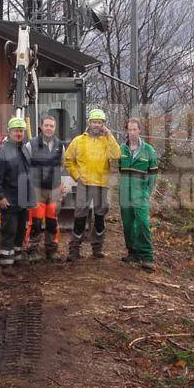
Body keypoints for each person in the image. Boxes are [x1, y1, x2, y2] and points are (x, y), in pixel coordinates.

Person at [64, 108, 121, 260]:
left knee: (100, 216)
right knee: (80, 216)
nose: (96, 125)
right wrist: (76, 176)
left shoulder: (107, 140)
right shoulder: (78, 141)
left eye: (100, 122)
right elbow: (68, 160)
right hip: (84, 184)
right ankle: (74, 249)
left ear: (103, 125)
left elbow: (117, 154)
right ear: (89, 123)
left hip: (102, 184)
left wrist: (109, 135)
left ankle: (97, 248)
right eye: (94, 122)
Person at [0, 117, 36, 269]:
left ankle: (17, 257)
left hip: (23, 200)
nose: (19, 133)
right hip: (9, 200)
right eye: (16, 131)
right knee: (9, 231)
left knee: (21, 231)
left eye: (21, 131)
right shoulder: (2, 151)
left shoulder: (24, 149)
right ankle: (6, 264)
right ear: (9, 132)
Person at [23, 114, 68, 261]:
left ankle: (51, 250)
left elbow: (62, 164)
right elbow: (25, 165)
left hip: (54, 190)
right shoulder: (31, 144)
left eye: (52, 126)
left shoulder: (60, 145)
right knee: (35, 221)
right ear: (41, 126)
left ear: (55, 128)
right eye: (46, 125)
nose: (49, 128)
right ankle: (32, 250)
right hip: (37, 189)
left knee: (52, 221)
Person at [119, 117, 159, 271]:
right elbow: (121, 170)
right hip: (125, 194)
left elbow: (153, 175)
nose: (132, 132)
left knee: (142, 223)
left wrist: (146, 192)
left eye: (135, 129)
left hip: (140, 194)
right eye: (129, 130)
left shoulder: (148, 150)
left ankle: (147, 256)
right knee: (128, 224)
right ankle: (133, 253)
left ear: (139, 130)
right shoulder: (122, 149)